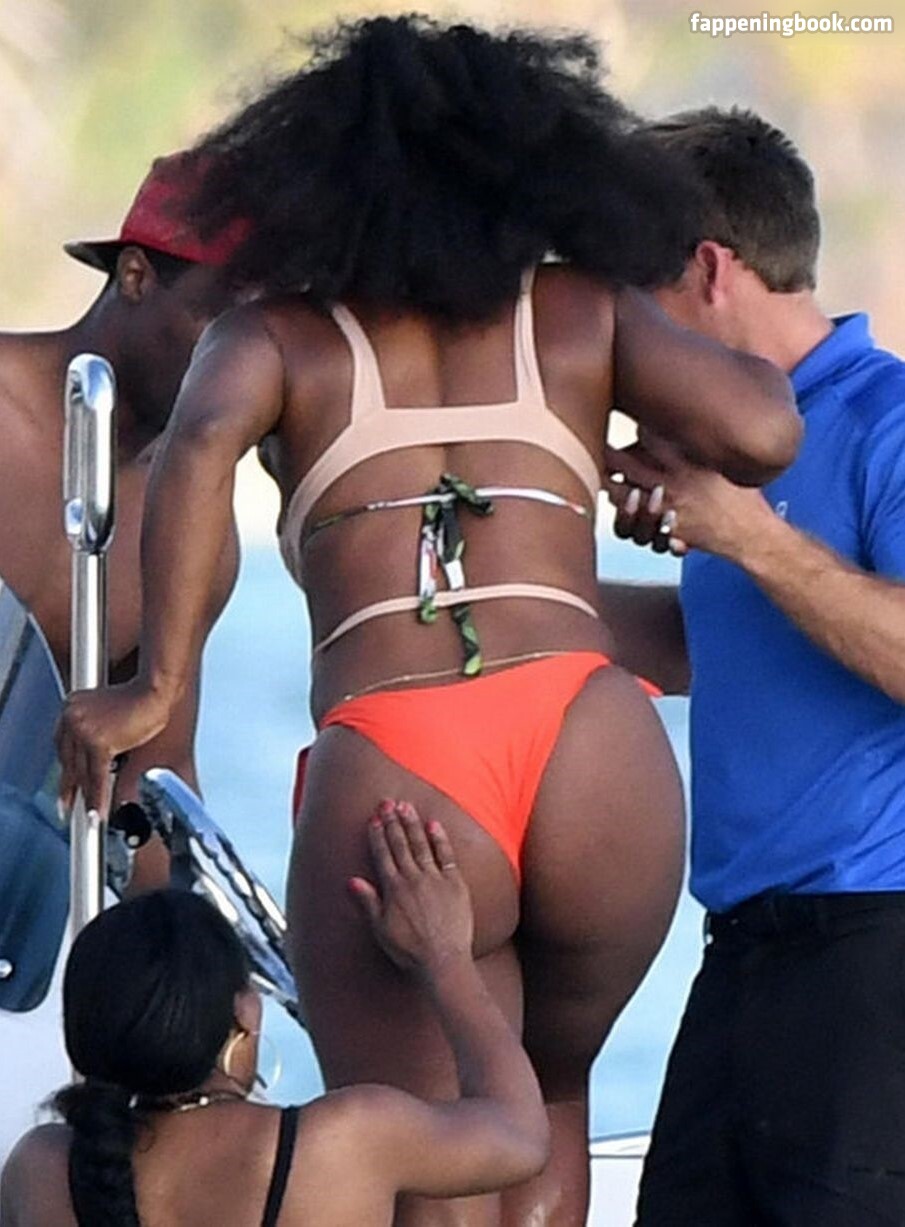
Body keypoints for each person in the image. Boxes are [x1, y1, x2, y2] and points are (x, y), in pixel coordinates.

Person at [56, 19, 801, 1226]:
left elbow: (194, 453)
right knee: (551, 1096)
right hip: (591, 739)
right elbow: (764, 431)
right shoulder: (578, 309)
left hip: (406, 765)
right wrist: (644, 454)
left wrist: (160, 687)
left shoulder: (278, 335)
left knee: (427, 1147)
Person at [601, 107, 905, 1225]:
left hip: (872, 948)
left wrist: (749, 538)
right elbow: (719, 651)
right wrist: (519, 580)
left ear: (708, 270)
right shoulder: (725, 454)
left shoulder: (886, 419)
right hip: (738, 955)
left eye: (633, 304)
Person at [0, 804, 550, 1226]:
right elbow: (520, 1135)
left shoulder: (41, 1170)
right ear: (244, 1016)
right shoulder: (339, 1142)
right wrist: (446, 959)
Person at [0, 150, 244, 888]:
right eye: (218, 323)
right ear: (135, 276)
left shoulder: (199, 529)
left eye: (256, 341)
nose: (240, 369)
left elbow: (153, 775)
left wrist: (184, 933)